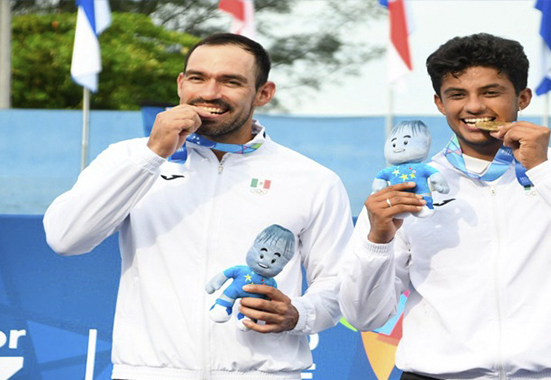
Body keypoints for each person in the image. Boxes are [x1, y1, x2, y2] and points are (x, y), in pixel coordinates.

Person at [339, 33, 551, 380]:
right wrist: (377, 240)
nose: (474, 107)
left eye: (490, 92)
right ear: (439, 103)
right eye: (457, 95)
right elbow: (363, 317)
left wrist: (543, 172)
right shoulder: (411, 187)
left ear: (523, 97)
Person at [44, 33, 353, 380]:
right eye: (197, 78)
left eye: (230, 81)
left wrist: (299, 313)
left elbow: (341, 283)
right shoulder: (129, 157)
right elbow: (65, 238)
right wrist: (152, 155)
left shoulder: (312, 179)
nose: (209, 92)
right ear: (180, 84)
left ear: (264, 93)